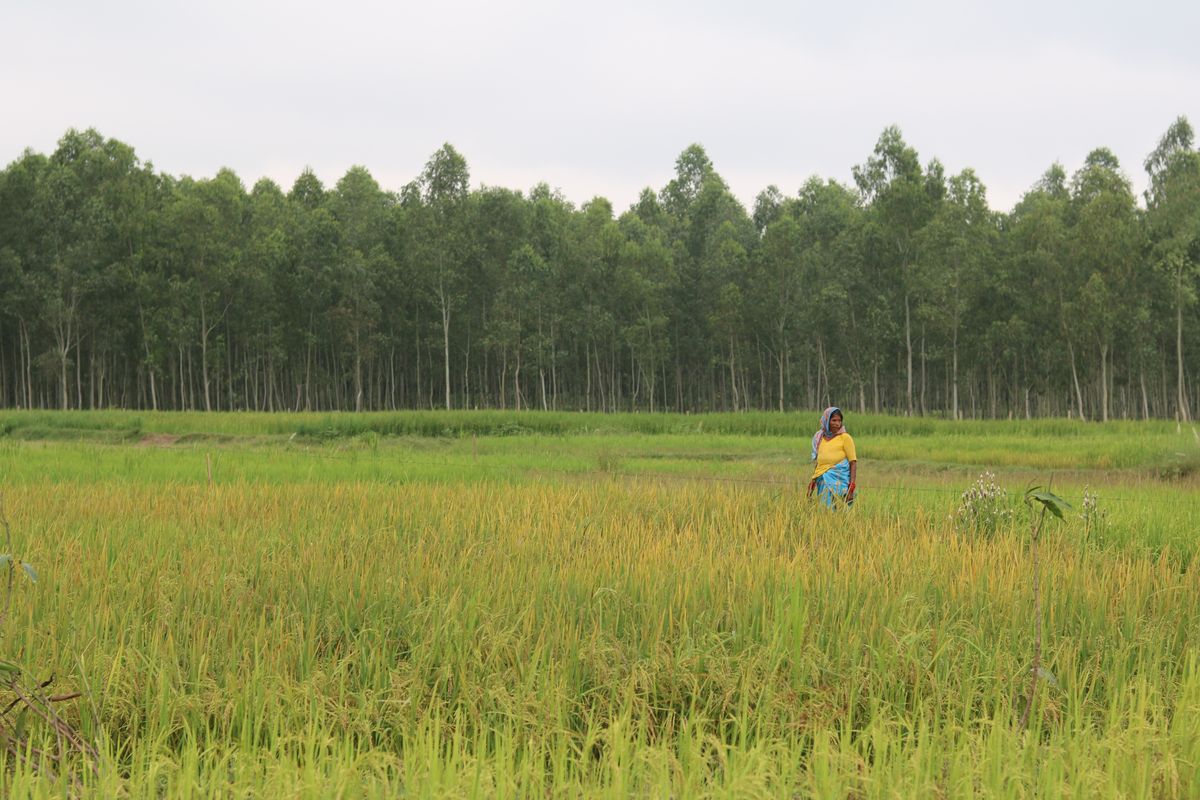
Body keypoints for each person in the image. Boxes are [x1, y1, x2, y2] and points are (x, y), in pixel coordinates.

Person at [806, 406, 857, 508]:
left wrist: (851, 488)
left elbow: (853, 462)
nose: (837, 423)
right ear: (826, 421)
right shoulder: (820, 438)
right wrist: (812, 483)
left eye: (839, 420)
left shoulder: (845, 438)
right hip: (822, 479)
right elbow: (819, 464)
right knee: (825, 512)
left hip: (840, 479)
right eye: (834, 420)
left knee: (843, 513)